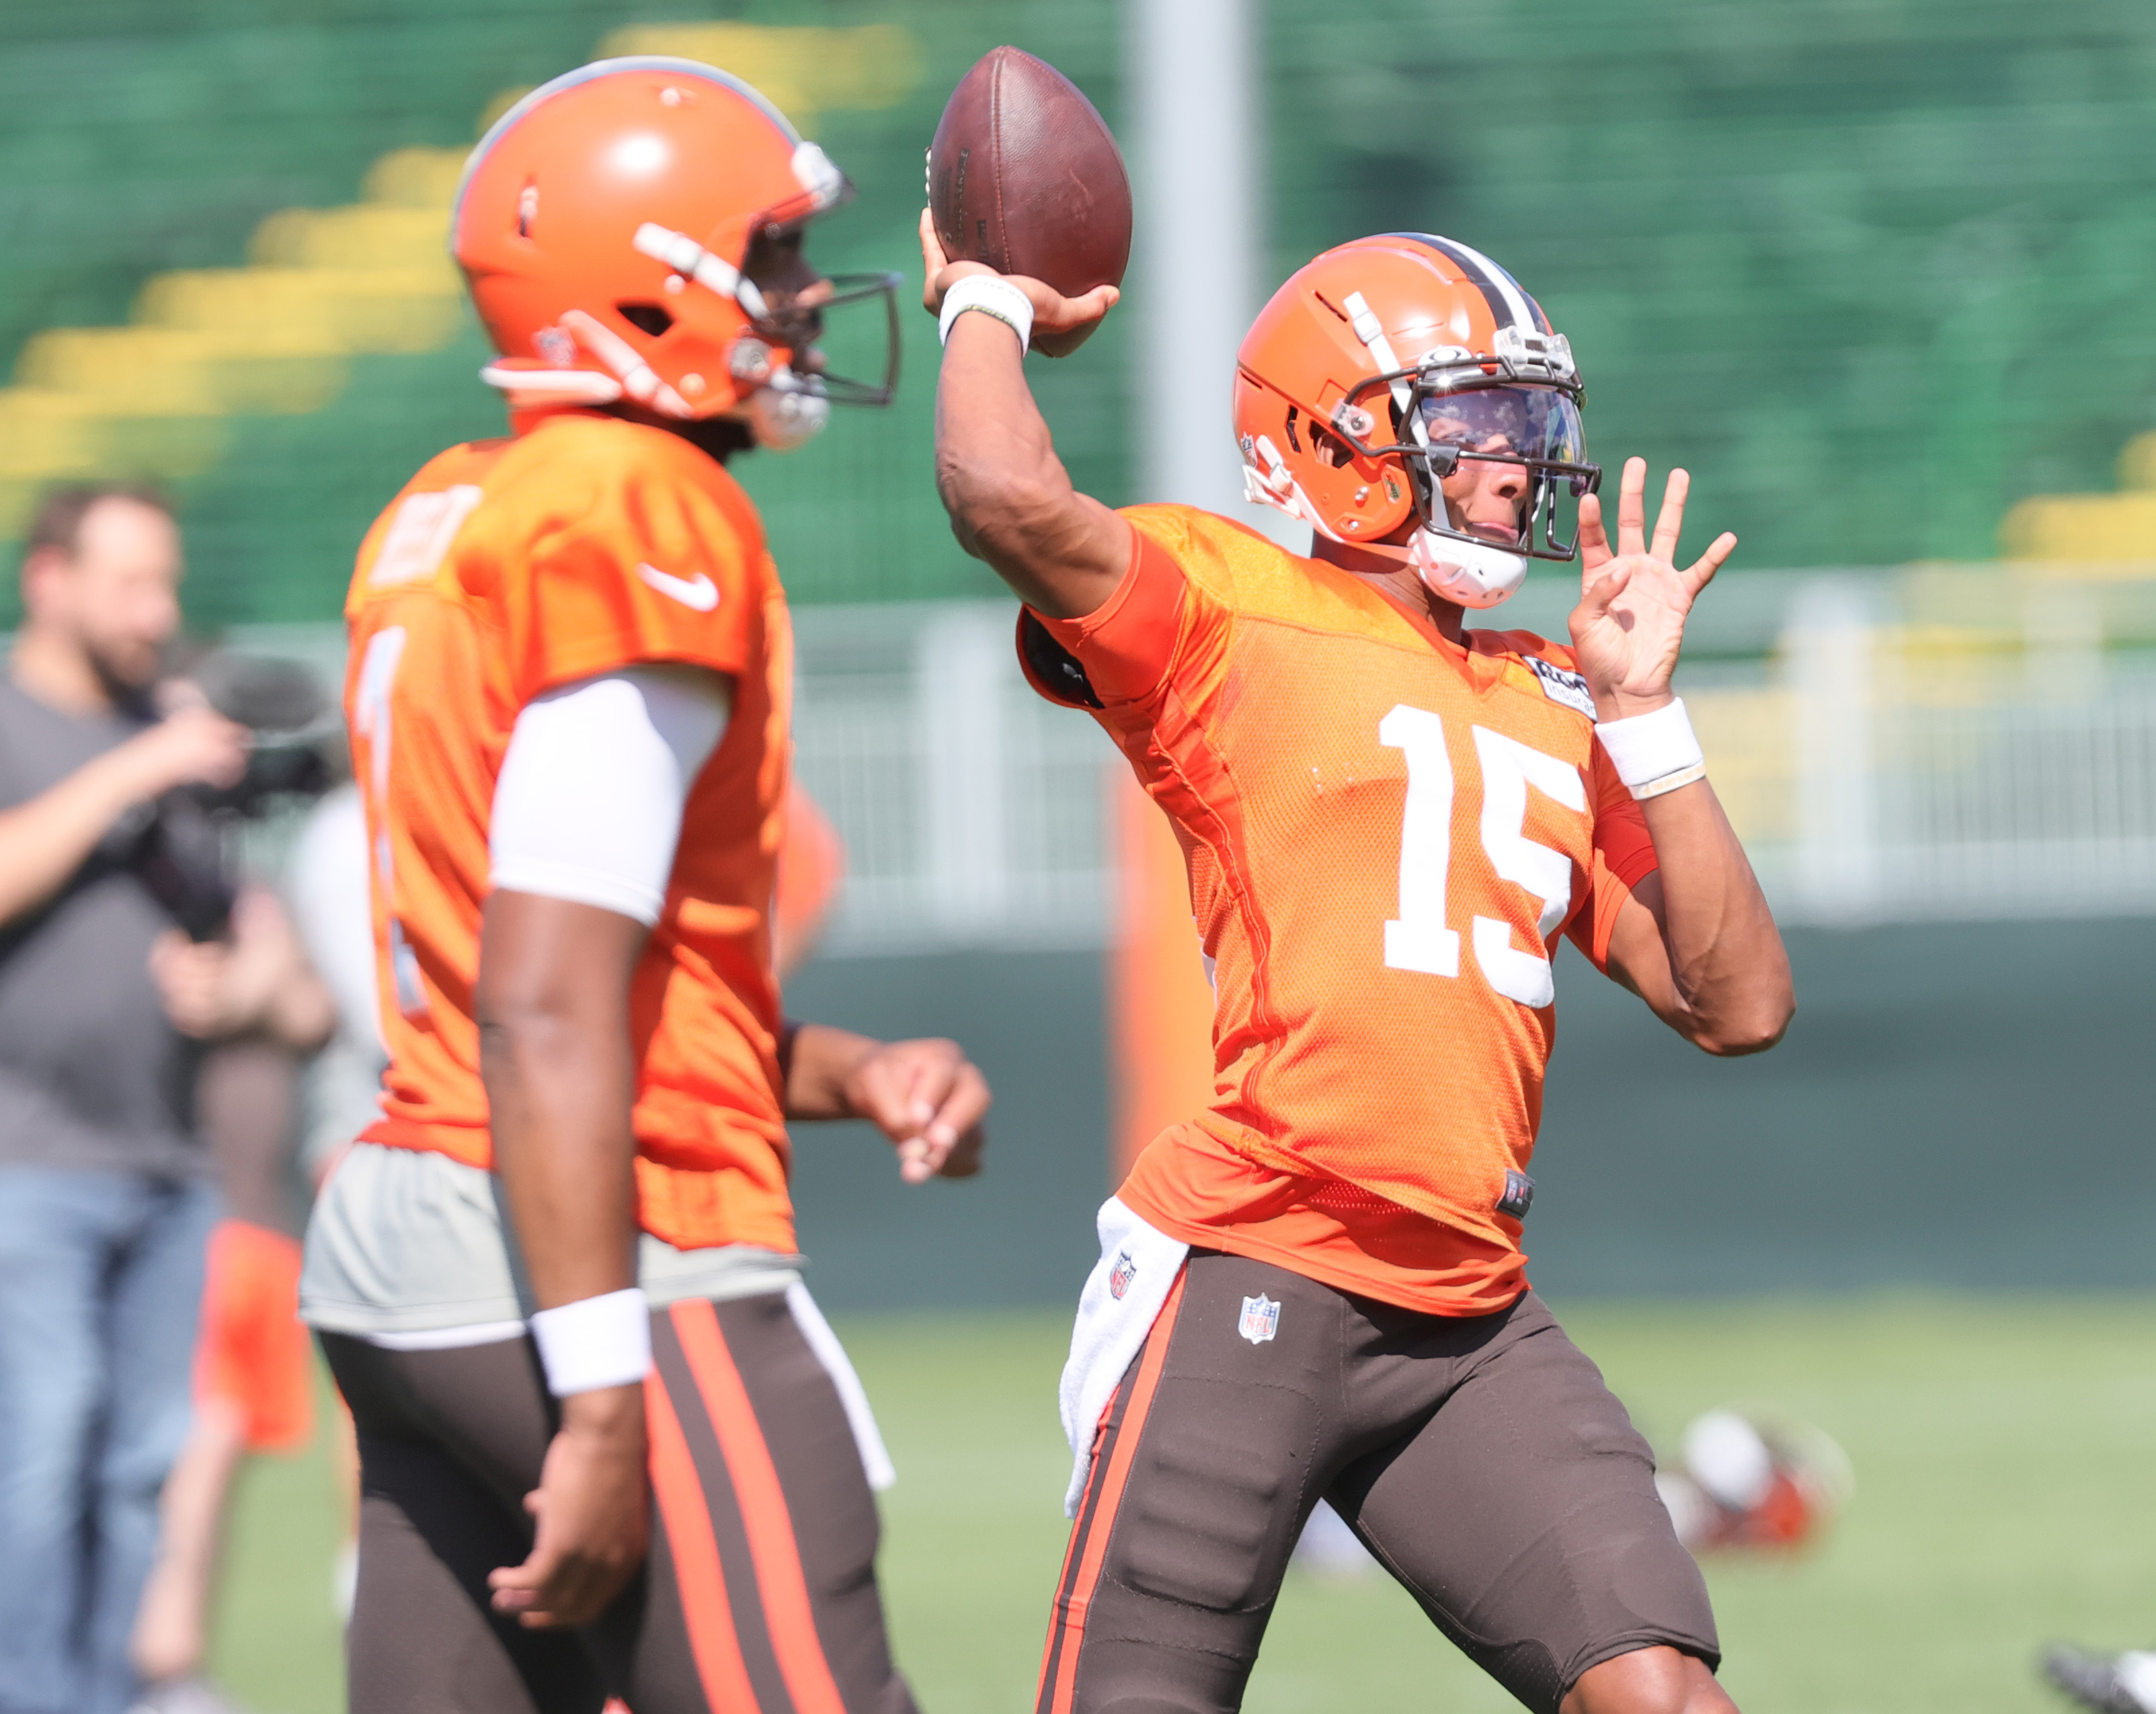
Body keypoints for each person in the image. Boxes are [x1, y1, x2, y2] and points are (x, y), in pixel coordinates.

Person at [924, 222, 1794, 1714]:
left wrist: (1647, 718)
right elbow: (1004, 490)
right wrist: (986, 297)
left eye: (1532, 425)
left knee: (1663, 1697)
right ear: (1333, 441)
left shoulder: (1550, 690)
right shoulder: (1223, 608)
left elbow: (1738, 1005)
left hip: (1466, 1312)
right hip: (1251, 1266)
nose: (1522, 463)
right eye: (1477, 427)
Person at [296, 58, 990, 1714]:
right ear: (648, 277)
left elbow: (567, 970)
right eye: (764, 258)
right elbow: (541, 993)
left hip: (406, 1239)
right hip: (600, 1246)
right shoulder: (636, 501)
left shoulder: (450, 505)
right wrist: (603, 1395)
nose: (802, 297)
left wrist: (839, 1068)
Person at [0, 485, 253, 1714]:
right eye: (128, 583)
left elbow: (242, 938)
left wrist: (230, 979)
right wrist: (137, 769)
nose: (159, 612)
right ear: (48, 578)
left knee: (139, 1467)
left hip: (167, 1162)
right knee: (34, 1460)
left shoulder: (171, 721)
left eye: (168, 583)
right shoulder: (29, 716)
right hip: (23, 1163)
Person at [130, 884, 338, 1714]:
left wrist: (265, 970)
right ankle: (160, 1667)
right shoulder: (148, 904)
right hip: (189, 1222)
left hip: (259, 1225)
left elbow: (314, 1015)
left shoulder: (264, 908)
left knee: (220, 1445)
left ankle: (172, 1665)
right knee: (193, 1447)